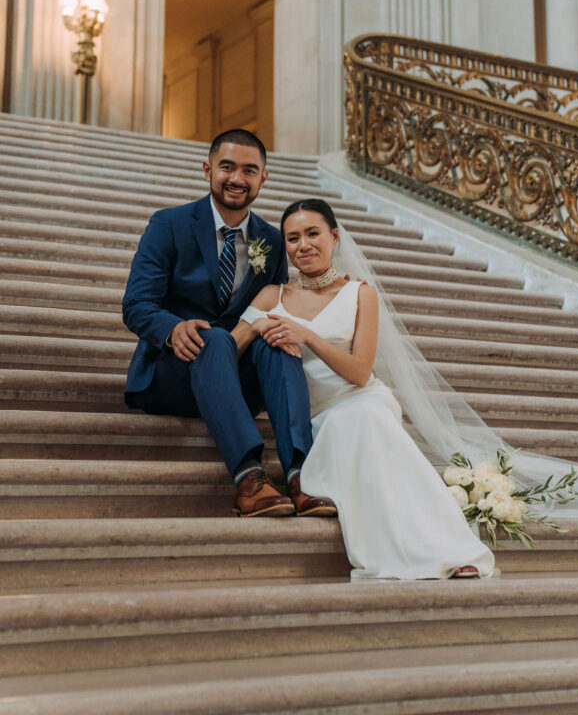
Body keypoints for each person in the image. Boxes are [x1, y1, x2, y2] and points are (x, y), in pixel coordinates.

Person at [233, 198, 495, 579]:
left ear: (334, 237)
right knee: (352, 427)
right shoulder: (273, 296)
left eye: (312, 234)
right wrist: (255, 326)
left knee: (367, 418)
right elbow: (230, 348)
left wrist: (308, 336)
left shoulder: (360, 294)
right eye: (292, 238)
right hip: (314, 415)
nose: (303, 245)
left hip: (360, 398)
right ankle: (402, 550)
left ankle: (450, 548)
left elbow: (359, 372)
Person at [122, 130, 336, 520]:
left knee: (278, 337)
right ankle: (249, 478)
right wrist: (172, 329)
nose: (237, 178)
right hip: (173, 373)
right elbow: (136, 305)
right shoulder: (169, 224)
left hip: (234, 379)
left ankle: (300, 475)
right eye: (227, 167)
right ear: (208, 170)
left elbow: (281, 300)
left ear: (263, 178)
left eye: (249, 170)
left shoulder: (272, 241)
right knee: (215, 337)